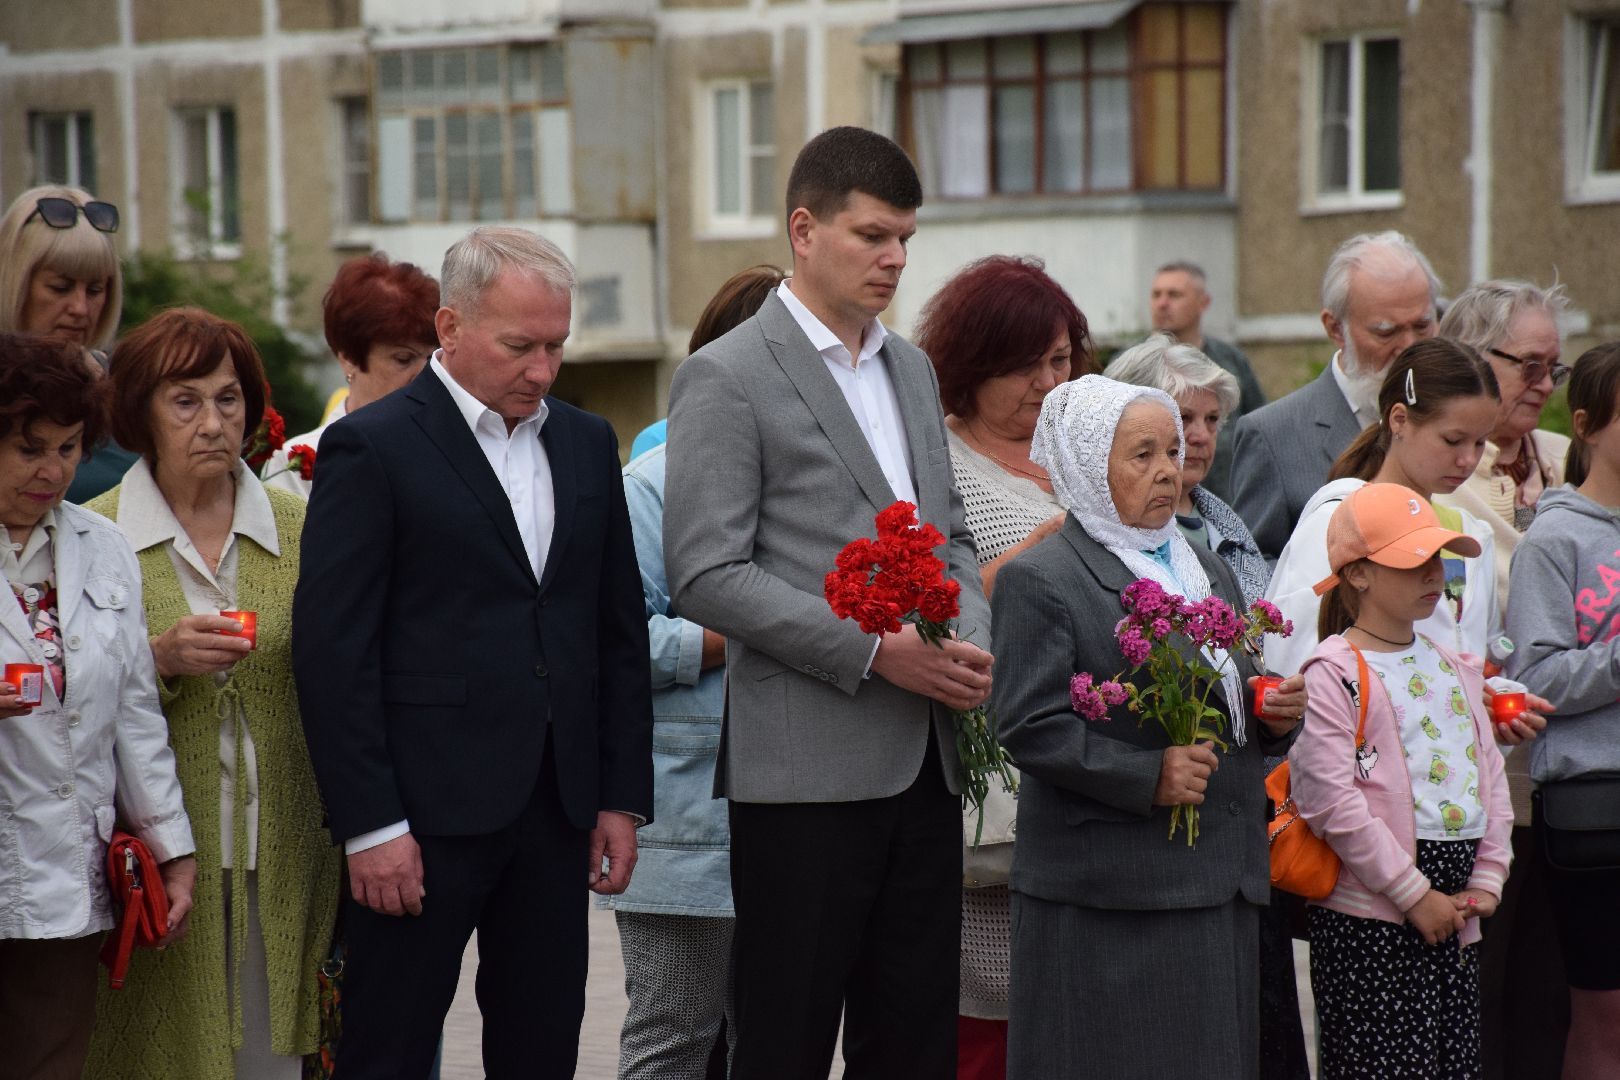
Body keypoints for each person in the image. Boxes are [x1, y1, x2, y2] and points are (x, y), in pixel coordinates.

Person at [663, 127, 993, 1079]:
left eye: (905, 240)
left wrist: (966, 638)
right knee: (786, 1045)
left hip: (925, 761)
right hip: (803, 774)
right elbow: (707, 574)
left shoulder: (914, 369)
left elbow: (952, 542)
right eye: (872, 236)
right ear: (803, 230)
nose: (894, 259)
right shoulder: (726, 374)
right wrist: (876, 651)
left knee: (914, 1046)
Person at [291, 226, 653, 1079]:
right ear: (450, 328)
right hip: (416, 821)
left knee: (543, 1044)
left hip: (556, 810)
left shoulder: (586, 443)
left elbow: (614, 632)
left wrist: (618, 795)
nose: (542, 369)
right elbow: (333, 652)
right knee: (391, 1048)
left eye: (558, 346)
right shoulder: (373, 446)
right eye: (520, 345)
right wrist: (372, 826)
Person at [990, 374, 1304, 1078]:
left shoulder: (1199, 570)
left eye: (1172, 450)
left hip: (1219, 880)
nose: (1169, 469)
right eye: (1141, 455)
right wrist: (1146, 776)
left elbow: (1226, 693)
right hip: (1114, 897)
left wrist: (1269, 711)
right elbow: (1028, 725)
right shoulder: (1043, 579)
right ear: (1085, 464)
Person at [83, 308, 340, 1078]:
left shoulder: (304, 530)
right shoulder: (94, 538)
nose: (213, 422)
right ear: (140, 413)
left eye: (229, 399)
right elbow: (60, 706)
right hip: (157, 863)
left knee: (274, 1061)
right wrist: (156, 659)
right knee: (156, 1052)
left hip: (288, 851)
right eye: (184, 400)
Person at [1104, 334, 1308, 1080]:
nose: (1194, 439)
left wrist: (1274, 708)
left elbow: (1246, 659)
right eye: (1177, 419)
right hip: (1152, 830)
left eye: (1210, 421)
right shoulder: (1106, 538)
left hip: (1237, 821)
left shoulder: (1227, 528)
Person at [603, 263, 783, 1080]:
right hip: (683, 825)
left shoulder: (813, 481)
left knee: (780, 1042)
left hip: (798, 805)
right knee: (673, 1038)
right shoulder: (650, 485)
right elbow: (607, 647)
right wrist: (735, 633)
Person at [0, 333, 196, 1079]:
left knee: (51, 1060)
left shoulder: (105, 546)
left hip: (64, 875)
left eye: (71, 446)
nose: (53, 470)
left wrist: (172, 850)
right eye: (28, 449)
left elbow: (135, 720)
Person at [912, 254, 1088, 1079]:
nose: (1047, 383)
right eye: (1024, 364)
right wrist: (1043, 557)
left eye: (1060, 360)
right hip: (989, 773)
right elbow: (928, 614)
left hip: (1088, 769)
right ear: (971, 364)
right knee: (981, 1024)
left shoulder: (1088, 459)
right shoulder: (936, 467)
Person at [1293, 482, 1512, 1079]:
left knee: (1452, 1063)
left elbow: (1488, 777)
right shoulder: (1335, 672)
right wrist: (1414, 895)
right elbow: (1328, 800)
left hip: (1457, 909)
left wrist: (1489, 878)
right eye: (1413, 560)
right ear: (1359, 574)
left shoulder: (1453, 665)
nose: (1434, 574)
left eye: (1438, 558)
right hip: (1373, 918)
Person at [1433, 281, 1574, 1079]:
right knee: (1480, 1003)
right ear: (1473, 359)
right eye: (1527, 365)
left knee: (1553, 1006)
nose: (1544, 386)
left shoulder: (1572, 460)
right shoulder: (1442, 476)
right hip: (1482, 785)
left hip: (1577, 777)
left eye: (1555, 368)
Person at [1505, 341, 1620, 1080]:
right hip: (1594, 804)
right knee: (1604, 1012)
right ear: (1585, 425)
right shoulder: (1555, 539)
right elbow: (1535, 677)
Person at [1265, 340, 1506, 683]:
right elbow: (1292, 662)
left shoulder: (1470, 532)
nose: (1468, 459)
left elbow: (1481, 652)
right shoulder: (1339, 521)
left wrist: (1491, 698)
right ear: (1399, 420)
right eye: (1453, 440)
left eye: (1481, 442)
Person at [1232, 231, 1441, 560]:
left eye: (1423, 326)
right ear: (1335, 328)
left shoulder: (1457, 422)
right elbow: (1252, 570)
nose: (1409, 347)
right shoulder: (1272, 435)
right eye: (1386, 331)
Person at [1107, 333, 1271, 606]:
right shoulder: (1113, 529)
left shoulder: (1227, 524)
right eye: (1183, 418)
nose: (1202, 436)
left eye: (1212, 419)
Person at [0, 184, 139, 502]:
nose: (80, 308)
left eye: (94, 290)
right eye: (60, 287)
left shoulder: (127, 390)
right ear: (14, 283)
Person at [262, 253, 438, 498]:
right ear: (348, 358)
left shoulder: (455, 445)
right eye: (403, 359)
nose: (423, 375)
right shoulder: (300, 461)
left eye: (432, 359)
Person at [1148, 261, 1266, 502]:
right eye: (1156, 294)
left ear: (1204, 303)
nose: (1162, 303)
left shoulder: (1231, 361)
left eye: (1174, 295)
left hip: (1229, 501)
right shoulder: (1136, 365)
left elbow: (1260, 429)